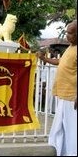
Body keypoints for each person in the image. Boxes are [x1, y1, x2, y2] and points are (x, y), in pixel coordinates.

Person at [37, 20, 77, 156]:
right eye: (67, 32)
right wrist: (44, 58)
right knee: (60, 128)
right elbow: (60, 62)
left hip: (73, 97)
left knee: (72, 130)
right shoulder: (70, 48)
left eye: (70, 33)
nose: (67, 35)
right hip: (64, 95)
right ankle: (60, 151)